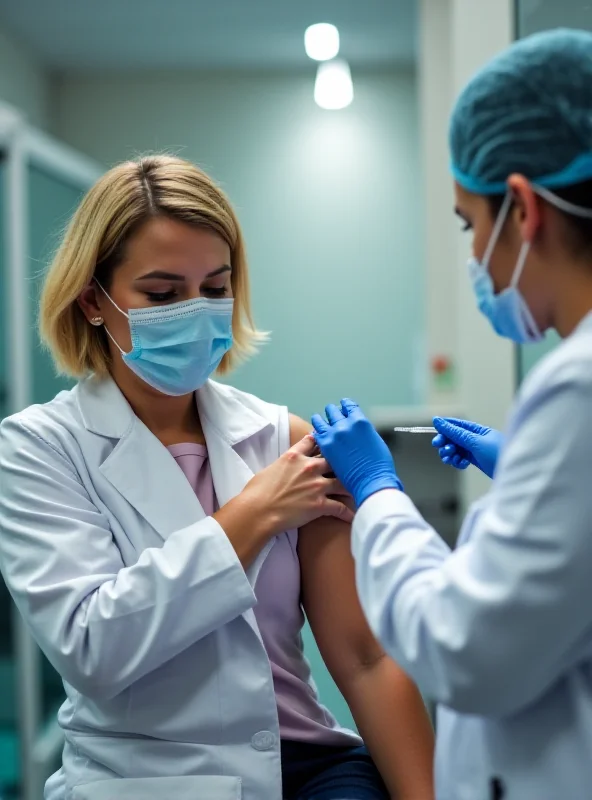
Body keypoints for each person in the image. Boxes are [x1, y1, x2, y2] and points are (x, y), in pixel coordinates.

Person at [0, 155, 434, 800]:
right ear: (93, 300)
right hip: (143, 778)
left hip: (308, 766)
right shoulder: (39, 448)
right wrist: (254, 514)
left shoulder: (279, 440)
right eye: (162, 293)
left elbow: (366, 658)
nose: (196, 311)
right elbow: (93, 649)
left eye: (215, 288)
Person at [311, 28, 592, 800]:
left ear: (525, 209)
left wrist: (378, 494)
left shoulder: (578, 390)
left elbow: (463, 648)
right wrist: (526, 468)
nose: (478, 259)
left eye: (472, 226)